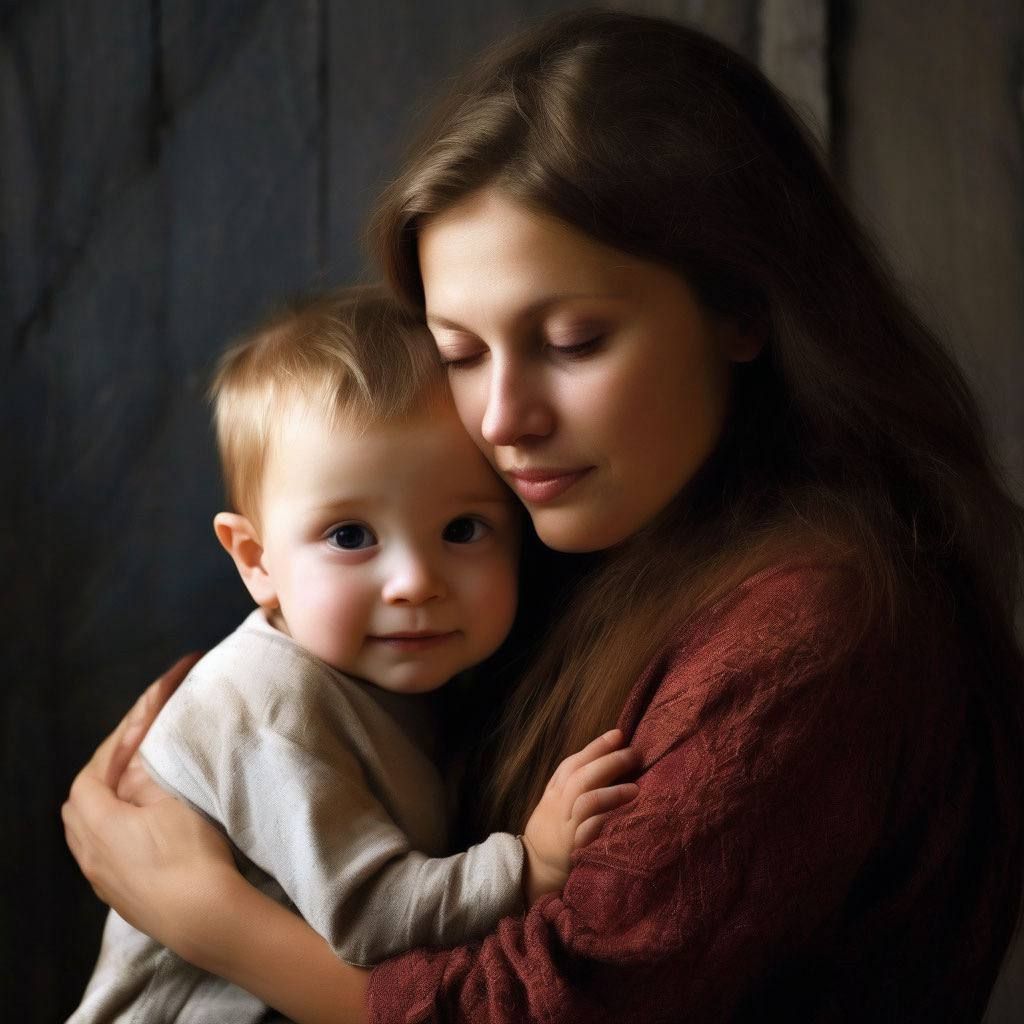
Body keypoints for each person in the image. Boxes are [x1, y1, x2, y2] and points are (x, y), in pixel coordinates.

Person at [62, 9, 1024, 1023]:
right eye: (462, 353)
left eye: (570, 341)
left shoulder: (814, 629)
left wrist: (203, 913)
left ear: (742, 307)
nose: (503, 420)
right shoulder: (573, 553)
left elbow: (541, 1006)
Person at [66, 285, 638, 1024]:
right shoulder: (271, 704)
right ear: (256, 560)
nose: (415, 583)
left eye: (463, 529)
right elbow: (369, 921)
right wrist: (527, 867)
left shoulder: (399, 684)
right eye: (349, 537)